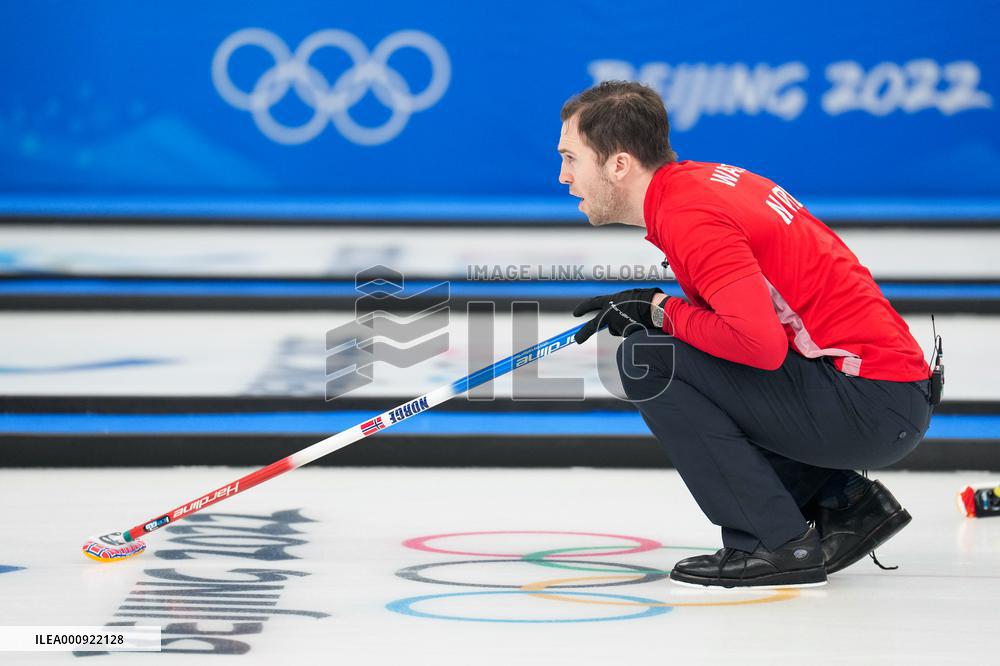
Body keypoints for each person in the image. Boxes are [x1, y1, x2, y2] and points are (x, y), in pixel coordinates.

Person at [560, 81, 934, 588]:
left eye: (571, 158)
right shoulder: (697, 186)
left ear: (619, 164)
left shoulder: (689, 216)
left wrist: (659, 311)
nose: (564, 176)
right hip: (883, 393)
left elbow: (758, 345)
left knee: (647, 359)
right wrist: (657, 311)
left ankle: (771, 541)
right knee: (672, 349)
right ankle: (841, 501)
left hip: (870, 403)